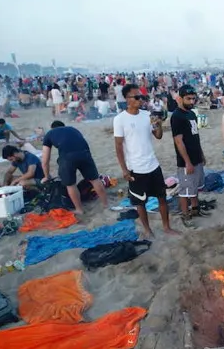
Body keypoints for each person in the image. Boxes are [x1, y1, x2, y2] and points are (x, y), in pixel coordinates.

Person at [114, 84, 178, 237]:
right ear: (126, 99)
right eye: (136, 97)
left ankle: (166, 227)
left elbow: (158, 135)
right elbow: (118, 146)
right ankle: (148, 230)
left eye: (141, 96)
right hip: (136, 168)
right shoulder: (120, 119)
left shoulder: (146, 115)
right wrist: (124, 169)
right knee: (140, 202)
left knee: (162, 198)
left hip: (153, 164)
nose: (140, 99)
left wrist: (159, 125)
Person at [40, 121, 108, 214]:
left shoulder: (49, 134)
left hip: (67, 158)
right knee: (95, 179)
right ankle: (105, 205)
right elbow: (83, 143)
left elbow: (45, 160)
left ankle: (79, 209)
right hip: (85, 154)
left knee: (70, 184)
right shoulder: (73, 129)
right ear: (64, 126)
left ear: (52, 128)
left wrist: (47, 176)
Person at [170, 85, 207, 226]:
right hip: (186, 161)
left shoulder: (191, 114)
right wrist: (187, 162)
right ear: (180, 98)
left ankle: (196, 209)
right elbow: (179, 142)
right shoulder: (177, 116)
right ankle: (185, 214)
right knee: (185, 190)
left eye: (193, 99)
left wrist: (201, 155)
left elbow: (195, 137)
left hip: (196, 156)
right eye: (188, 99)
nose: (192, 101)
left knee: (195, 186)